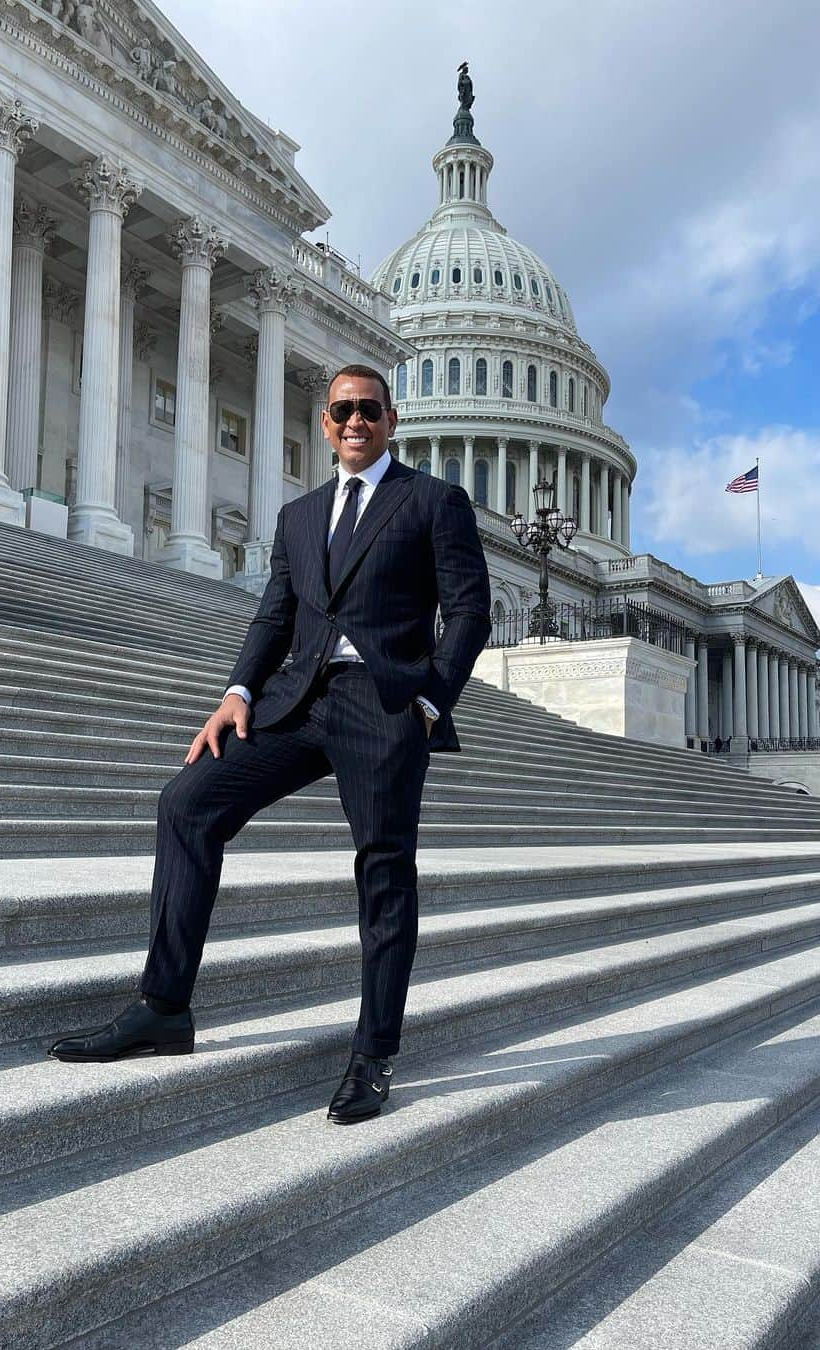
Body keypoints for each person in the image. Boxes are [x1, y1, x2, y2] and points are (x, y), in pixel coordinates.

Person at [49, 365, 492, 1124]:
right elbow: (273, 616)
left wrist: (426, 699)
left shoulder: (430, 500)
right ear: (325, 423)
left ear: (392, 418)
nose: (354, 422)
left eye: (368, 411)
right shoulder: (300, 514)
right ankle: (164, 1005)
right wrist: (236, 694)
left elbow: (472, 610)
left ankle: (374, 1052)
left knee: (383, 871)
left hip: (382, 703)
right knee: (187, 803)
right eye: (340, 412)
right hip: (297, 698)